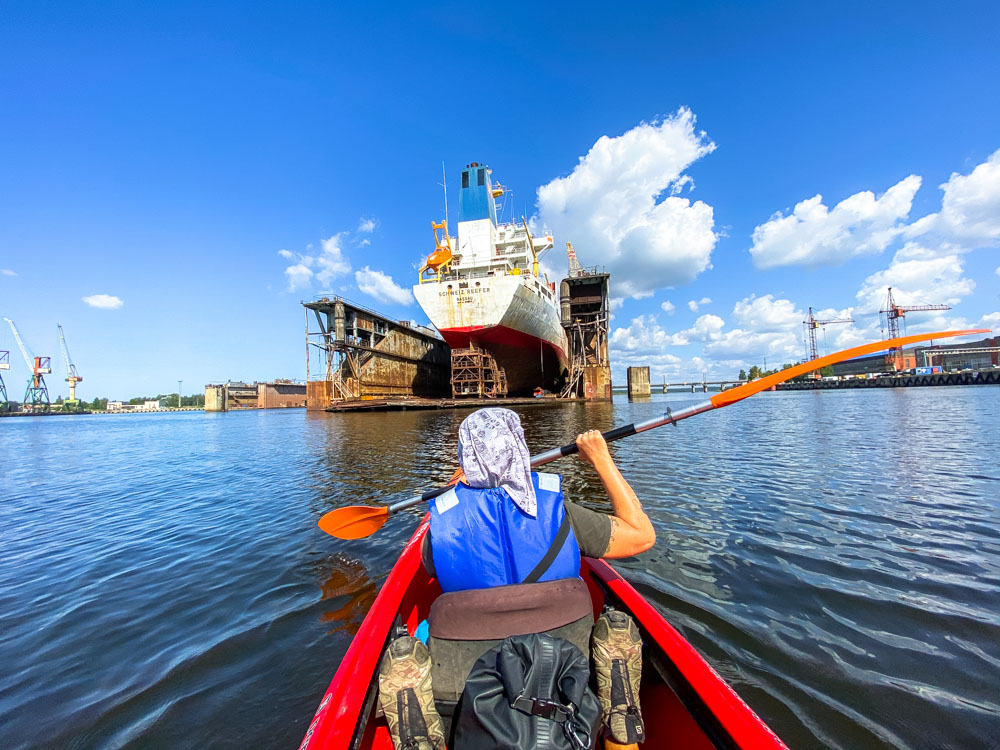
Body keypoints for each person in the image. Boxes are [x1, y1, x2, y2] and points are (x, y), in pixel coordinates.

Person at [378, 408, 655, 750]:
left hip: (468, 705)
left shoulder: (438, 533)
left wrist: (456, 494)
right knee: (617, 631)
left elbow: (444, 554)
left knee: (406, 652)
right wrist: (601, 459)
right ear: (520, 447)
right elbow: (642, 536)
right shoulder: (562, 512)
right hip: (567, 688)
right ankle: (619, 735)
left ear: (467, 456)